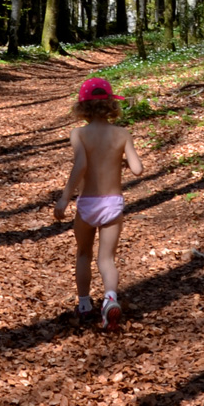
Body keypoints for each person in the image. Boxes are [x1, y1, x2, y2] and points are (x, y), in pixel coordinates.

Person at [55, 76, 141, 329]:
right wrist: (122, 162)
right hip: (113, 203)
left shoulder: (78, 133)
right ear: (111, 105)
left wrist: (64, 198)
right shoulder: (122, 133)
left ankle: (84, 306)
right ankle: (110, 300)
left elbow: (81, 165)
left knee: (83, 254)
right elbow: (137, 169)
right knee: (107, 259)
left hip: (88, 203)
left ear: (82, 108)